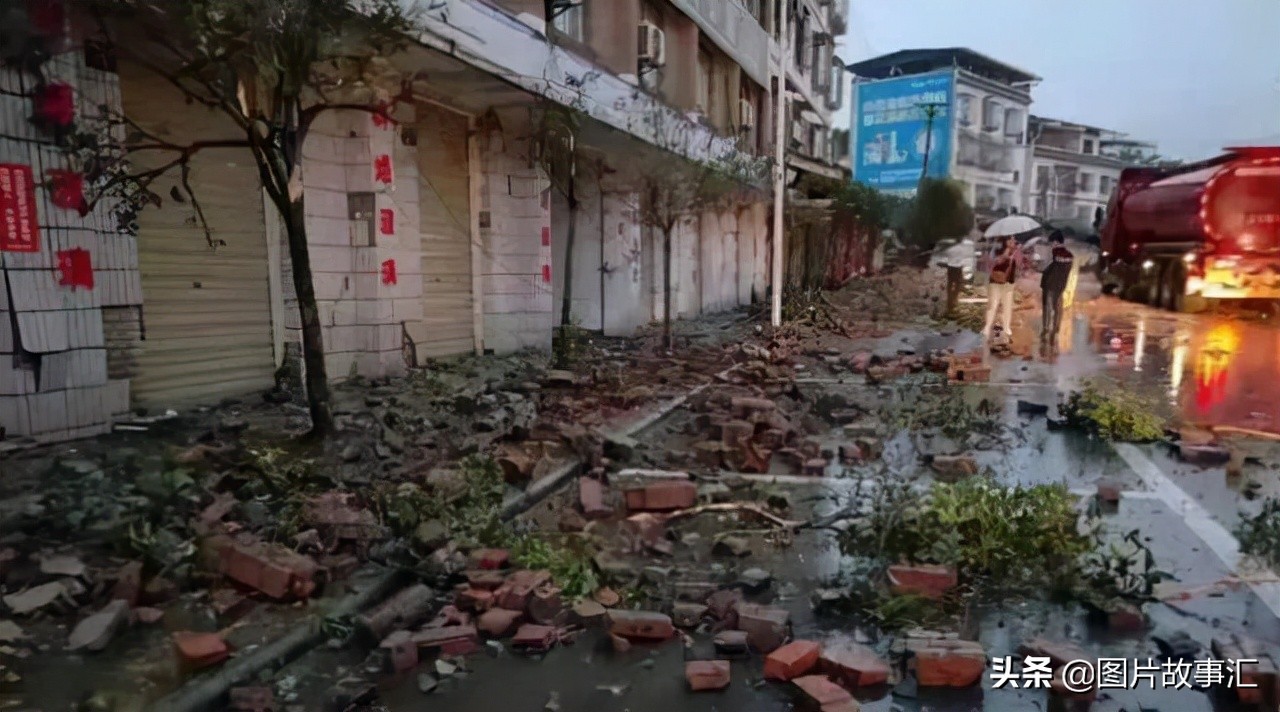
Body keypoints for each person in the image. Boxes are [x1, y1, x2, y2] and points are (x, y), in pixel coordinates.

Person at [1040, 230, 1075, 351]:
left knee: (1047, 308)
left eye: (1052, 242)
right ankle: (1055, 330)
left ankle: (1045, 329)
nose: (1051, 245)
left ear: (1055, 242)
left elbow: (1045, 268)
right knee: (1058, 308)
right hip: (1061, 285)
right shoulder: (1070, 256)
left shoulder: (1053, 254)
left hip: (1049, 284)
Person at [981, 235, 1020, 342]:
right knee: (992, 305)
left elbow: (1020, 264)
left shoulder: (1016, 251)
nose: (1013, 241)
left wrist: (1015, 254)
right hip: (995, 282)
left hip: (1009, 282)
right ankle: (987, 327)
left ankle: (1006, 327)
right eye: (1010, 239)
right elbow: (995, 262)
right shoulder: (996, 250)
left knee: (1007, 306)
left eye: (1013, 239)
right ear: (1005, 240)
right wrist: (1006, 254)